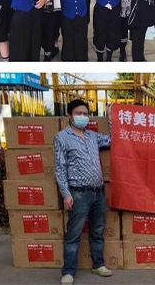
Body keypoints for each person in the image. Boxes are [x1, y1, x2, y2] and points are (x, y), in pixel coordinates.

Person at [54, 100, 113, 285]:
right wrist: (66, 194)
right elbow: (60, 167)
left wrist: (111, 119)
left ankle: (98, 264)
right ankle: (68, 272)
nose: (82, 116)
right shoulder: (62, 138)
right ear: (70, 116)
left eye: (85, 114)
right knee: (74, 234)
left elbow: (113, 139)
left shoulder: (93, 136)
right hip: (78, 194)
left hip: (98, 192)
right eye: (78, 113)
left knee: (97, 231)